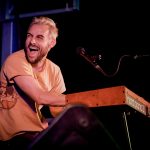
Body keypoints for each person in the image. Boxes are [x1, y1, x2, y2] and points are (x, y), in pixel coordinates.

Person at [0, 16, 121, 150]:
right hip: (12, 138)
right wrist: (86, 100)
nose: (31, 41)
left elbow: (55, 109)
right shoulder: (16, 60)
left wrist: (96, 105)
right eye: (29, 36)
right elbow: (39, 96)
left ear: (51, 43)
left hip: (38, 133)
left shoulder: (55, 70)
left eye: (39, 37)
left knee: (80, 138)